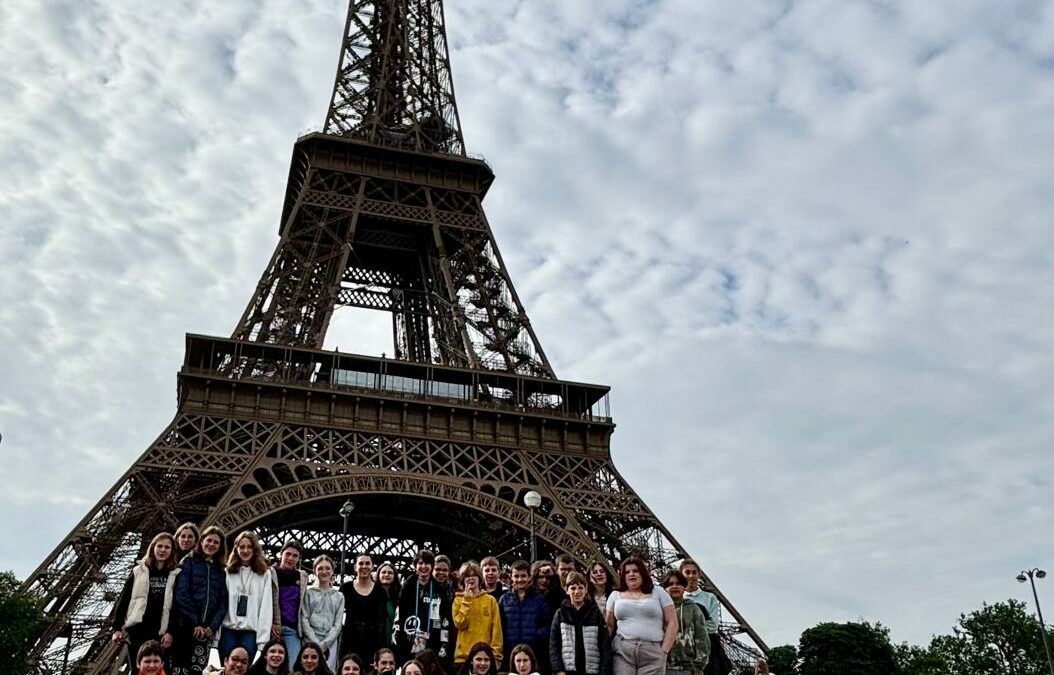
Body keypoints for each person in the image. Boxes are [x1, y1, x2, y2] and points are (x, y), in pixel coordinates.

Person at [112, 532, 181, 672]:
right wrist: (117, 627)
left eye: (167, 547)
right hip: (138, 629)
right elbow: (124, 599)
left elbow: (177, 606)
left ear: (172, 551)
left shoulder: (175, 574)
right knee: (139, 670)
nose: (162, 550)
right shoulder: (139, 571)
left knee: (160, 670)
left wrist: (170, 632)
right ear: (153, 547)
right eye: (159, 546)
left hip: (161, 631)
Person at [605, 557, 676, 675]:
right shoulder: (615, 595)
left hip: (652, 652)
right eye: (627, 572)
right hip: (623, 651)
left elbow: (672, 621)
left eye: (635, 571)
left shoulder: (658, 592)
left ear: (643, 573)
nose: (631, 574)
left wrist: (664, 651)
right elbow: (609, 625)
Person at [174, 525, 229, 675]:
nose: (211, 544)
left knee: (196, 671)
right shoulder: (189, 562)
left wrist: (212, 626)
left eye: (216, 542)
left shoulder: (221, 571)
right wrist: (195, 623)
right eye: (208, 540)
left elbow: (223, 603)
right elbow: (182, 594)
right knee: (179, 670)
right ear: (201, 541)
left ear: (220, 547)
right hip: (185, 627)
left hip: (206, 632)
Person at [221, 531, 274, 662]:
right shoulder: (227, 572)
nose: (245, 550)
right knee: (226, 668)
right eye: (242, 547)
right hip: (228, 629)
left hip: (251, 632)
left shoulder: (265, 574)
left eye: (249, 547)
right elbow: (221, 604)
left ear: (255, 549)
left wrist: (263, 641)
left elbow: (266, 607)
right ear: (236, 549)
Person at [395, 549, 453, 661]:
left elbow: (445, 620)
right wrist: (397, 641)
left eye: (427, 563)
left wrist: (443, 646)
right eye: (420, 563)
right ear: (415, 566)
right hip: (409, 640)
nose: (423, 566)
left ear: (431, 566)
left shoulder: (439, 590)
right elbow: (399, 614)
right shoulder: (407, 587)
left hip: (432, 643)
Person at [549, 572, 611, 675]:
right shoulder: (560, 613)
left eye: (581, 588)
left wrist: (604, 671)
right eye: (573, 588)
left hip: (591, 670)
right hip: (568, 670)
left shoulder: (595, 613)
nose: (577, 592)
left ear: (586, 589)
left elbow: (604, 645)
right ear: (566, 590)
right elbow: (554, 644)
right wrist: (558, 669)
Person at [498, 561, 550, 671]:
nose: (520, 579)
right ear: (511, 577)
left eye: (523, 576)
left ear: (530, 577)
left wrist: (536, 636)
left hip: (533, 652)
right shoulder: (504, 600)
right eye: (516, 576)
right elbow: (499, 627)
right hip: (510, 652)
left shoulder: (539, 599)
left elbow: (547, 624)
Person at [676, 561, 727, 675]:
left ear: (699, 575)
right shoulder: (674, 597)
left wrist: (687, 630)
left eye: (694, 572)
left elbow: (713, 626)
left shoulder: (710, 597)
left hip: (706, 649)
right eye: (687, 572)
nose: (691, 576)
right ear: (681, 575)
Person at [452, 561, 502, 671]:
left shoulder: (490, 601)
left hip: (485, 658)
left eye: (474, 575)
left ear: (479, 578)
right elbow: (460, 624)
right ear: (462, 580)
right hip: (463, 658)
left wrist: (496, 655)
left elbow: (496, 630)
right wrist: (467, 601)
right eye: (467, 576)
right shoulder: (458, 600)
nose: (471, 579)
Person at [340, 554, 388, 665]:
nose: (364, 566)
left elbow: (382, 621)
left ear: (372, 567)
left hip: (372, 642)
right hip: (349, 640)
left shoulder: (380, 592)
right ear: (355, 567)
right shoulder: (345, 589)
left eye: (367, 563)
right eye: (361, 563)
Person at [301, 555, 345, 671]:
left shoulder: (339, 596)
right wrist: (315, 642)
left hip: (330, 642)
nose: (324, 571)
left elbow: (338, 623)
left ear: (332, 570)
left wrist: (325, 643)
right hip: (309, 640)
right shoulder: (308, 593)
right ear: (314, 571)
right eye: (320, 568)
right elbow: (304, 618)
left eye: (327, 568)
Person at [660, 572, 708, 675]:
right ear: (664, 589)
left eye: (678, 583)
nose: (674, 586)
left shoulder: (694, 609)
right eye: (670, 584)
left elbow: (702, 638)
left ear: (684, 587)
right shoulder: (658, 609)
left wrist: (699, 666)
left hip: (686, 668)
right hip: (661, 666)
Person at [272, 539, 310, 666]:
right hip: (270, 628)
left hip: (291, 630)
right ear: (280, 554)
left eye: (295, 556)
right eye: (288, 554)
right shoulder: (269, 574)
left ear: (299, 559)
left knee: (293, 667)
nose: (291, 558)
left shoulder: (302, 577)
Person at [170, 523, 201, 674]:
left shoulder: (199, 564)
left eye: (190, 536)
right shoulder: (165, 560)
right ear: (177, 538)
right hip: (165, 620)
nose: (186, 539)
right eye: (183, 536)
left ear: (196, 540)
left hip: (188, 623)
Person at [376, 562, 401, 649]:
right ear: (378, 575)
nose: (386, 575)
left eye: (390, 573)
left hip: (395, 640)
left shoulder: (400, 597)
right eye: (383, 572)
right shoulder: (372, 595)